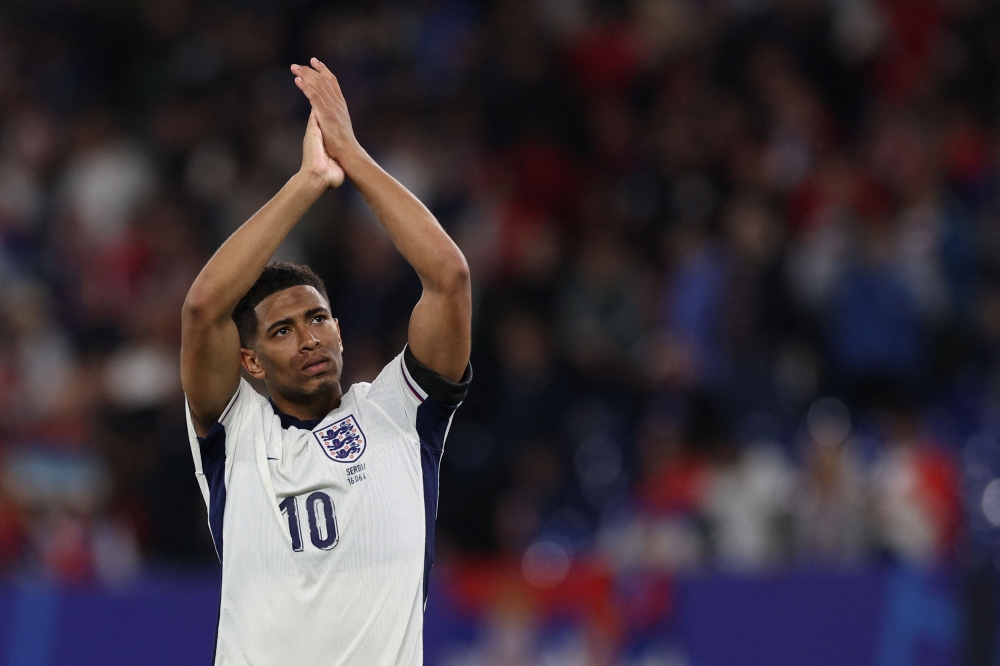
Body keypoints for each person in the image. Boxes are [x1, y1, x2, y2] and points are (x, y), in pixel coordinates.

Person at [179, 58, 472, 666]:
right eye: (282, 331)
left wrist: (353, 157)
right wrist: (310, 181)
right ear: (250, 363)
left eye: (317, 319)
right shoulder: (235, 435)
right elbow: (205, 307)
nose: (309, 338)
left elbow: (448, 279)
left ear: (339, 329)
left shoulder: (398, 413)